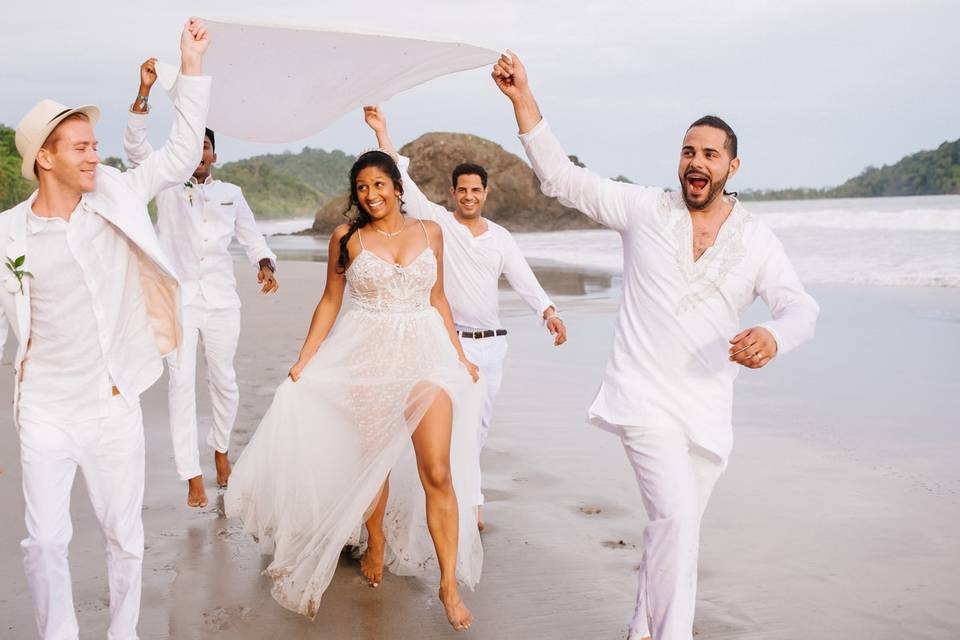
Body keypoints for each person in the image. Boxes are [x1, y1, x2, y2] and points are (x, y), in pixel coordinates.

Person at [492, 52, 820, 640]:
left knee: (674, 530)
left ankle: (641, 629)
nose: (695, 162)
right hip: (643, 398)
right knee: (674, 518)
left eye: (709, 154)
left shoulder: (757, 241)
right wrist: (523, 100)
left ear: (732, 166)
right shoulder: (645, 210)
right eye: (688, 151)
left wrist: (774, 334)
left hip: (708, 412)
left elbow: (801, 309)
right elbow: (562, 179)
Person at [0, 19, 211, 640]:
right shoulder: (7, 233)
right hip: (43, 406)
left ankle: (123, 634)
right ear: (45, 159)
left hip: (113, 399)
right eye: (81, 148)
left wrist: (191, 68)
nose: (96, 156)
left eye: (95, 145)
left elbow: (177, 156)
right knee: (44, 540)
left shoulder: (116, 192)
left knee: (126, 536)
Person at [225, 151, 482, 631]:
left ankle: (448, 584)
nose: (371, 194)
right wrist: (306, 357)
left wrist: (460, 354)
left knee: (438, 470)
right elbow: (330, 301)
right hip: (367, 357)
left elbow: (438, 298)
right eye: (362, 187)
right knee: (374, 463)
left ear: (397, 186)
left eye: (379, 184)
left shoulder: (431, 232)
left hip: (427, 357)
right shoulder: (347, 238)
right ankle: (376, 537)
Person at [362, 105, 567, 530]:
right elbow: (404, 183)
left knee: (478, 428)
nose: (469, 196)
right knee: (441, 427)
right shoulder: (438, 223)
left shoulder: (501, 238)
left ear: (485, 194)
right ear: (453, 194)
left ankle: (464, 501)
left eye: (476, 190)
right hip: (447, 343)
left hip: (492, 346)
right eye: (463, 191)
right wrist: (383, 131)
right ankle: (458, 507)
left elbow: (523, 279)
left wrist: (548, 311)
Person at [123, 60, 279, 508]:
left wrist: (265, 263)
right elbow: (135, 147)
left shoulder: (233, 192)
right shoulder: (167, 184)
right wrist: (144, 91)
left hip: (223, 299)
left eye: (205, 146)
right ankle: (191, 474)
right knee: (181, 382)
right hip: (179, 298)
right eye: (193, 145)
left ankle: (221, 450)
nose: (199, 152)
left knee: (224, 381)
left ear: (213, 153)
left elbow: (252, 236)